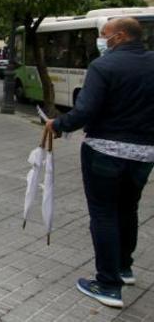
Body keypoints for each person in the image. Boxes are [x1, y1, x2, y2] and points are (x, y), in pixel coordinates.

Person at [45, 17, 154, 309]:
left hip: (105, 151)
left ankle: (107, 284)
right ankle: (123, 268)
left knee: (104, 214)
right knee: (128, 209)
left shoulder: (103, 67)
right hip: (144, 154)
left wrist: (58, 124)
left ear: (119, 36)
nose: (101, 40)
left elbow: (85, 110)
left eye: (104, 35)